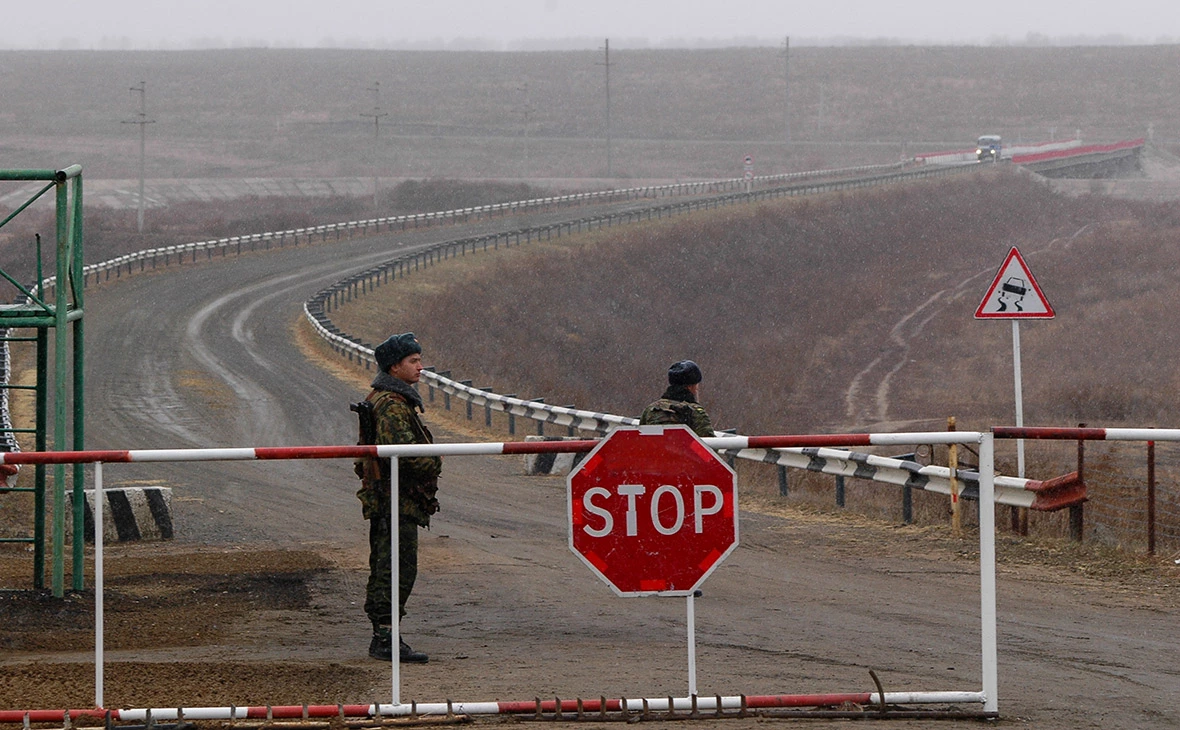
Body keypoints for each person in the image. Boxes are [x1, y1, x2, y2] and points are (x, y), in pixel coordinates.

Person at [355, 332, 441, 664]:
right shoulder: (391, 404)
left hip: (395, 499)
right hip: (395, 500)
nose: (421, 367)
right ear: (395, 366)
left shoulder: (389, 399)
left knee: (392, 567)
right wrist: (435, 460)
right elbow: (405, 456)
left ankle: (386, 634)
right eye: (413, 361)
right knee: (395, 569)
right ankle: (385, 637)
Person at [638, 360, 714, 438]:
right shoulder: (695, 412)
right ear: (690, 387)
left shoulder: (650, 410)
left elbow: (641, 438)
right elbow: (710, 445)